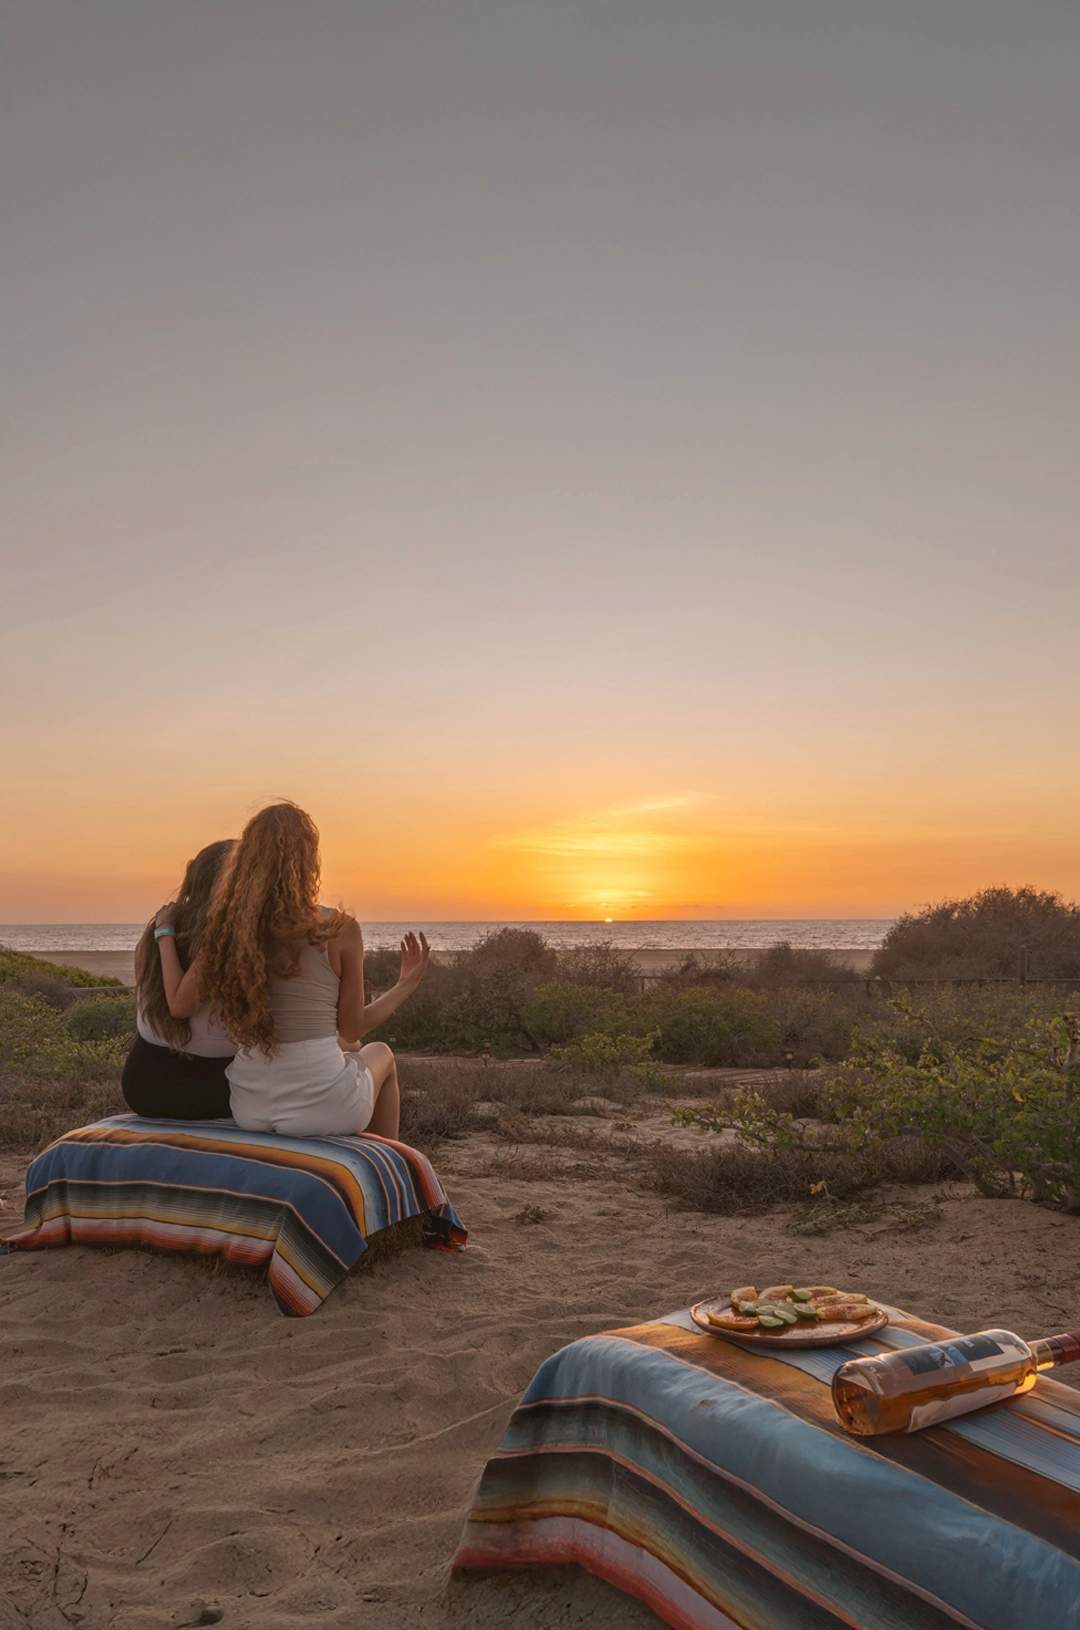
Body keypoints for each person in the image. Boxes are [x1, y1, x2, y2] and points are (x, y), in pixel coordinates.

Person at [157, 801, 428, 1138]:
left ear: (245, 861)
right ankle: (388, 1167)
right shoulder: (339, 929)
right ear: (309, 860)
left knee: (342, 1052)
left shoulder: (226, 930)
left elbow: (178, 1004)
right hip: (326, 1108)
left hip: (251, 1108)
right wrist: (405, 984)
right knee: (381, 1053)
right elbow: (353, 1026)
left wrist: (163, 935)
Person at [122, 840, 237, 1119]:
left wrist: (164, 933)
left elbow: (147, 997)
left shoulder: (159, 929)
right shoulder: (227, 936)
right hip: (213, 1090)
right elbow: (180, 1006)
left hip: (143, 1086)